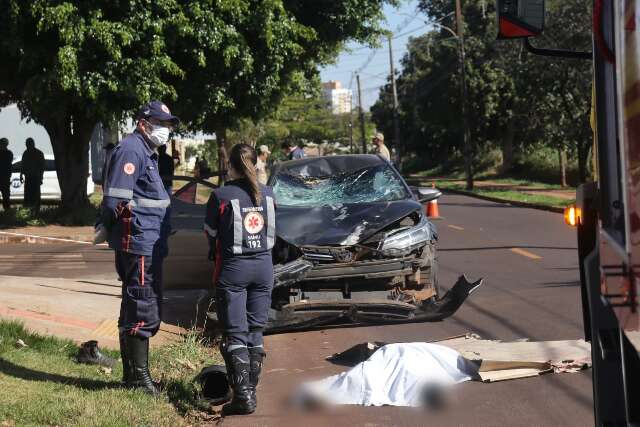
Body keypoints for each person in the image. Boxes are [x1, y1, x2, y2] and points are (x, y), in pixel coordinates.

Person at [99, 100, 177, 395]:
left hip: (148, 239)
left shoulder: (146, 151)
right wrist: (106, 225)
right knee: (142, 304)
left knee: (136, 303)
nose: (166, 130)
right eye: (161, 124)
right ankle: (139, 379)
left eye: (168, 124)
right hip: (139, 240)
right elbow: (116, 198)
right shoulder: (132, 149)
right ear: (144, 123)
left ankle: (132, 376)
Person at [203, 143, 276, 415]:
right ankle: (249, 389)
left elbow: (210, 232)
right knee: (255, 329)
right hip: (264, 268)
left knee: (235, 331)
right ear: (256, 163)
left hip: (234, 270)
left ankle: (244, 397)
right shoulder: (268, 194)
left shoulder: (221, 195)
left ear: (230, 166)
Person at [20, 138, 45, 212]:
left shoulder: (39, 153)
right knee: (28, 196)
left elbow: (42, 167)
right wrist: (21, 175)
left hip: (36, 177)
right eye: (27, 143)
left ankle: (36, 211)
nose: (27, 145)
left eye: (28, 143)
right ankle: (28, 211)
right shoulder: (26, 153)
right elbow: (23, 165)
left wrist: (40, 177)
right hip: (28, 177)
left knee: (36, 196)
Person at [0, 138, 13, 211]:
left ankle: (7, 210)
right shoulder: (9, 153)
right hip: (5, 177)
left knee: (6, 196)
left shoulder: (8, 153)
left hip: (5, 178)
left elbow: (8, 164)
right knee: (6, 195)